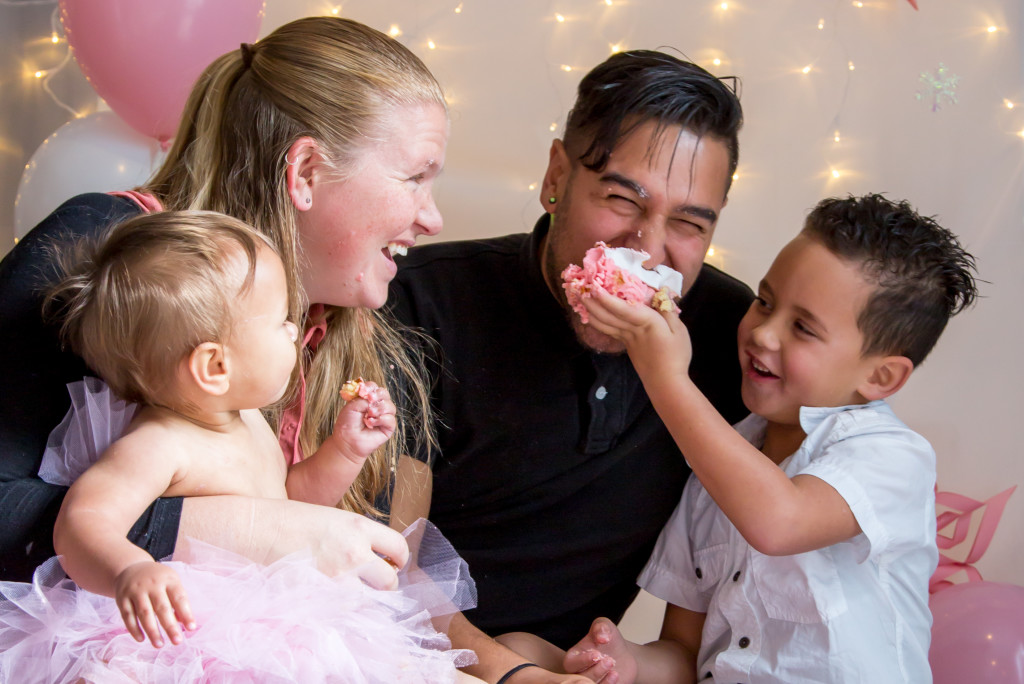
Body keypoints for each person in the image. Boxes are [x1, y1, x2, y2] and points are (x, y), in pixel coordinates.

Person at [0, 16, 447, 594]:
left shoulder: (324, 324)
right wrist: (248, 531)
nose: (433, 219)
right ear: (306, 172)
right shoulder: (111, 251)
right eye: (414, 178)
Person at [387, 50, 753, 682]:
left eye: (689, 224)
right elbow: (389, 558)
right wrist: (512, 675)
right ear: (556, 176)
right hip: (402, 655)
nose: (648, 250)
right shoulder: (418, 302)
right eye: (622, 199)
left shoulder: (728, 332)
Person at [0, 211, 479, 682]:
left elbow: (291, 507)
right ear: (215, 367)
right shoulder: (159, 444)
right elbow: (82, 522)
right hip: (192, 640)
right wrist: (127, 569)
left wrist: (345, 452)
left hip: (281, 624)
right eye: (280, 321)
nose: (295, 329)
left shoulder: (247, 419)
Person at [553, 193, 979, 683]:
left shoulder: (892, 456)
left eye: (803, 328)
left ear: (880, 377)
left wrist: (666, 378)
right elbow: (685, 655)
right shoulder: (713, 473)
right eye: (764, 302)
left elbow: (779, 522)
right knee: (524, 648)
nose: (763, 333)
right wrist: (629, 663)